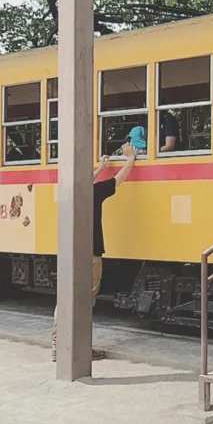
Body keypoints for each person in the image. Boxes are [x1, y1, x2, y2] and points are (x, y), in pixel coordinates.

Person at [51, 142, 136, 362]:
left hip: (69, 252)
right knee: (85, 301)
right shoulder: (95, 192)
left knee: (66, 298)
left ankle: (57, 345)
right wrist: (130, 158)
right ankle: (79, 349)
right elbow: (120, 179)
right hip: (91, 254)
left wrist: (99, 169)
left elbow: (83, 182)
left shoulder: (68, 193)